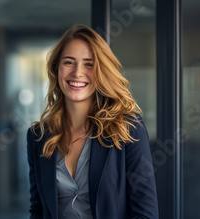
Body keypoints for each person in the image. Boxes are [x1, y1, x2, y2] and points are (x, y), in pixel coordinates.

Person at [27, 25, 159, 219]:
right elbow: (37, 211)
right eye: (69, 62)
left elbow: (146, 214)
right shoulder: (38, 136)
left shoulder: (127, 128)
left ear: (101, 71)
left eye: (89, 64)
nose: (77, 72)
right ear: (56, 69)